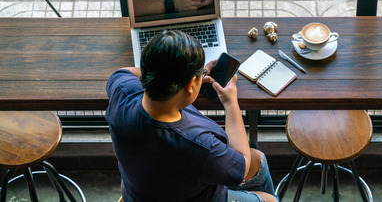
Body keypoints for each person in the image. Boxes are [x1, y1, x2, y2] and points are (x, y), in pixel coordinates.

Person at [106, 30, 278, 202]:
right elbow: (243, 165)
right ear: (190, 85)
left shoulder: (122, 94)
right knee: (270, 197)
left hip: (141, 194)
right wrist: (231, 102)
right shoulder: (200, 146)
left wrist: (177, 78)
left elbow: (123, 72)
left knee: (259, 159)